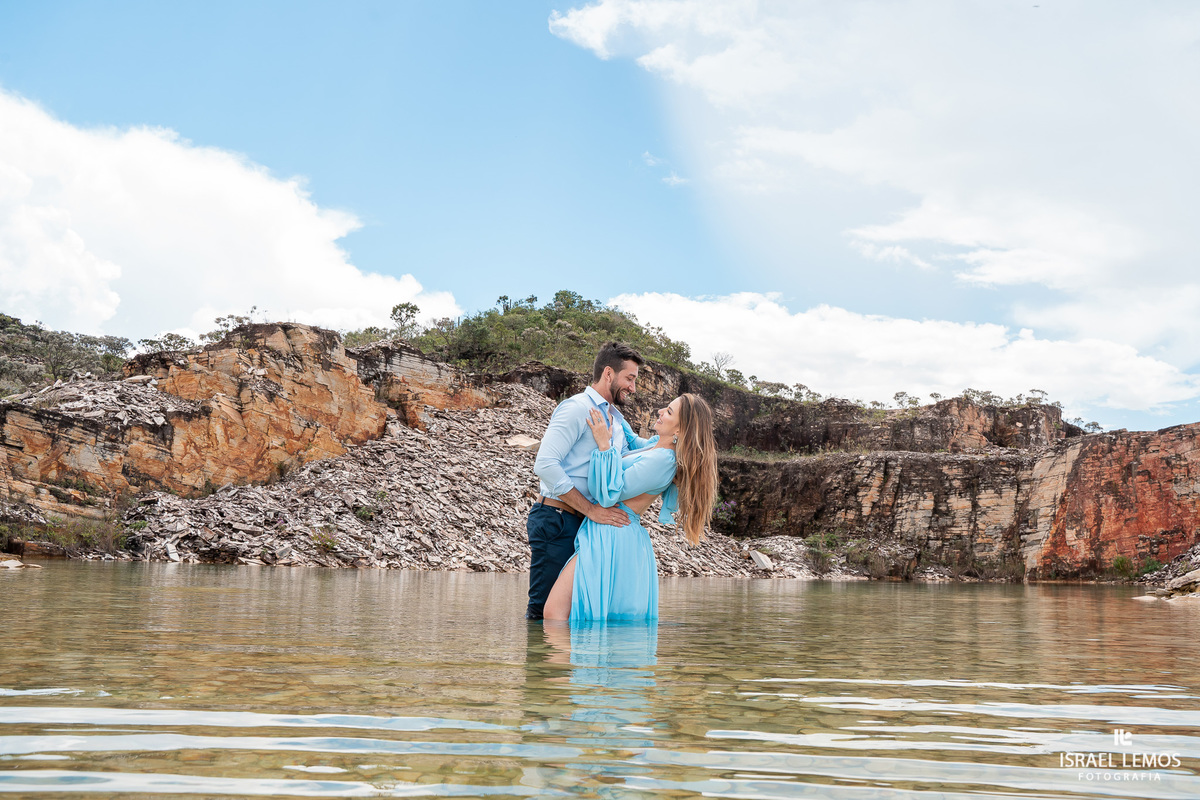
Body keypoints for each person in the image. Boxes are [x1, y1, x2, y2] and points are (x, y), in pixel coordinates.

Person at [543, 393, 718, 622]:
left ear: (679, 430)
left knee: (555, 613)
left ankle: (558, 656)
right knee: (579, 615)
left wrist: (604, 445)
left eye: (669, 412)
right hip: (610, 530)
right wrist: (606, 402)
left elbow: (610, 495)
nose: (660, 412)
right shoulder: (655, 446)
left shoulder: (664, 461)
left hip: (614, 531)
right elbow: (631, 438)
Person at [526, 342, 657, 620]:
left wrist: (681, 444)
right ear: (609, 374)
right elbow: (546, 464)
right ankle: (540, 663)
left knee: (573, 613)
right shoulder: (576, 408)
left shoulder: (617, 420)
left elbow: (636, 456)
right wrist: (593, 510)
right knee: (544, 613)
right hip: (557, 519)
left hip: (586, 525)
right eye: (630, 378)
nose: (633, 387)